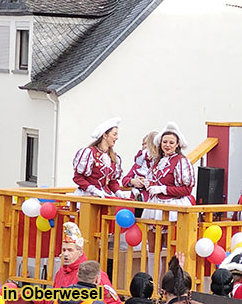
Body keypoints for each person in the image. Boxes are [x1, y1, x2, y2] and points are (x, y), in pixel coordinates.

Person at [142, 122, 195, 274]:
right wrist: (149, 184)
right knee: (153, 247)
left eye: (171, 142)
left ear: (177, 144)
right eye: (165, 142)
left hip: (173, 206)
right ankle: (153, 284)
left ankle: (174, 281)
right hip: (156, 206)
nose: (167, 145)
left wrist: (163, 189)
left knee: (173, 246)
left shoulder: (181, 161)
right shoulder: (157, 161)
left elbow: (186, 188)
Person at [53, 222, 121, 304]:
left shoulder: (94, 274)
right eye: (64, 250)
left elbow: (113, 302)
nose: (66, 254)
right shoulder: (60, 273)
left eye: (70, 250)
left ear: (80, 252)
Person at [73, 117, 129, 198]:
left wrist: (118, 192)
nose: (117, 137)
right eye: (114, 134)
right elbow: (78, 178)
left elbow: (112, 182)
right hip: (87, 196)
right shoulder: (89, 153)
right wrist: (93, 190)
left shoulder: (113, 157)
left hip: (105, 196)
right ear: (105, 136)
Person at [122, 131, 159, 203]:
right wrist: (132, 181)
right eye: (143, 144)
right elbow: (124, 180)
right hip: (135, 202)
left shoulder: (161, 163)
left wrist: (146, 182)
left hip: (151, 201)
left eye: (147, 144)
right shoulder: (139, 163)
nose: (145, 146)